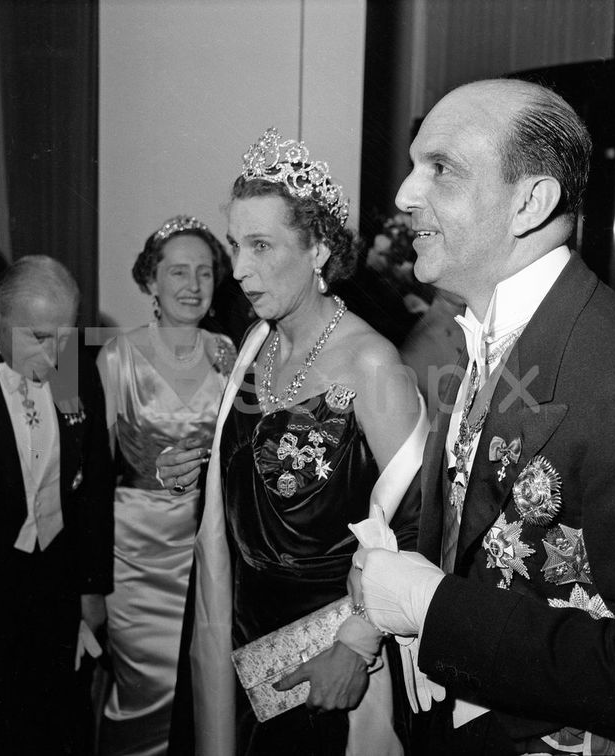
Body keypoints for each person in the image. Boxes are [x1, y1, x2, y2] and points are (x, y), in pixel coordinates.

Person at [354, 78, 615, 755]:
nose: (403, 194)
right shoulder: (485, 332)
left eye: (440, 168)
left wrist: (432, 607)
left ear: (530, 202)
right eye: (411, 163)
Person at [169, 127, 429, 755]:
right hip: (234, 631)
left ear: (317, 249)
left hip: (328, 659)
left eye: (260, 245)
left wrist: (358, 645)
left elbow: (422, 527)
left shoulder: (372, 364)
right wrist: (211, 464)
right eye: (235, 244)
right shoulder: (257, 340)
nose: (238, 269)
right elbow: (285, 459)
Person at [0, 255, 115, 754]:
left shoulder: (72, 365)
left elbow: (95, 485)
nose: (56, 352)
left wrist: (92, 587)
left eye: (67, 333)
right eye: (39, 337)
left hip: (56, 586)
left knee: (60, 723)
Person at [95, 215, 236, 756]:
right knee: (144, 692)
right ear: (150, 282)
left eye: (204, 272)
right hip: (136, 557)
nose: (192, 286)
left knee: (202, 693)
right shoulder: (117, 356)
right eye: (178, 272)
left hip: (208, 553)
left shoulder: (229, 353)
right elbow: (95, 473)